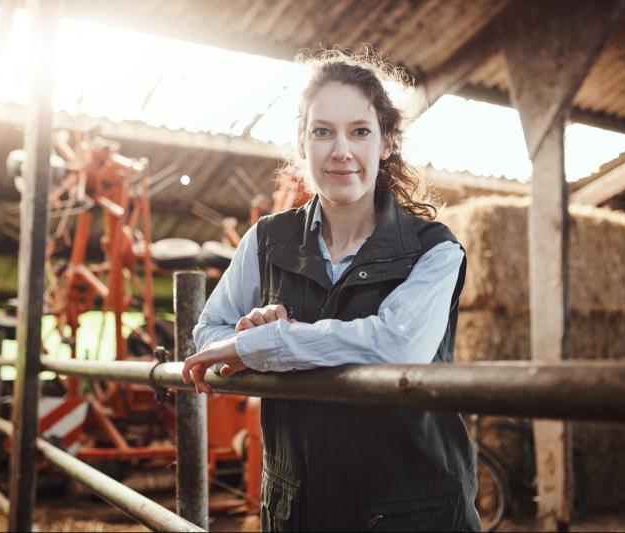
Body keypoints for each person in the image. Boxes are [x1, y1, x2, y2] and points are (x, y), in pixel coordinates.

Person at [182, 50, 480, 532]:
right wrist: (244, 332)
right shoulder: (265, 241)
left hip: (411, 510)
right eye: (322, 131)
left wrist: (266, 343)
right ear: (302, 144)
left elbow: (396, 345)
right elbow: (208, 335)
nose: (341, 150)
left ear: (387, 142)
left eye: (359, 131)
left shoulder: (434, 250)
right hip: (299, 510)